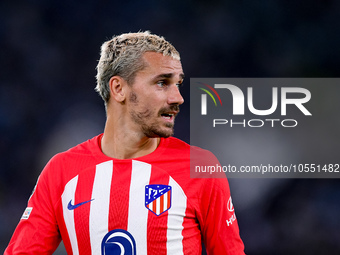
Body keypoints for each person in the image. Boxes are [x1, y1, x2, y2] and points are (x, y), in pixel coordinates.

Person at [5, 31, 245, 255]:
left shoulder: (200, 167)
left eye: (178, 84)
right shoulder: (61, 172)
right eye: (162, 83)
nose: (178, 98)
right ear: (119, 88)